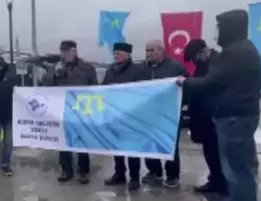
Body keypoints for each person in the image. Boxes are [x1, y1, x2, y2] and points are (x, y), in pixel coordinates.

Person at [176, 9, 261, 201]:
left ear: (230, 27)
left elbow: (211, 82)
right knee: (237, 166)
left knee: (237, 169)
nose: (217, 33)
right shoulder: (242, 49)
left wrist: (185, 82)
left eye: (220, 27)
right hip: (237, 116)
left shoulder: (235, 53)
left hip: (234, 118)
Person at [142, 39, 190, 188]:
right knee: (149, 143)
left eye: (152, 50)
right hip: (149, 113)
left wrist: (181, 105)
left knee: (169, 144)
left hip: (169, 113)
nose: (149, 53)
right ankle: (154, 172)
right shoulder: (143, 69)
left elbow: (188, 86)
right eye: (147, 50)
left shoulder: (175, 67)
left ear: (162, 51)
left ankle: (172, 175)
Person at [50, 40, 98, 184]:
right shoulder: (57, 67)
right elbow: (46, 86)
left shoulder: (87, 67)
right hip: (63, 109)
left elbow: (94, 88)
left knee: (81, 141)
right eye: (62, 51)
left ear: (74, 51)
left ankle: (83, 172)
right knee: (63, 141)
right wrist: (55, 74)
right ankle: (66, 170)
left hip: (81, 110)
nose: (63, 54)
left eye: (66, 51)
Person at [184, 39, 227, 196]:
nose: (194, 62)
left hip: (214, 116)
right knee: (209, 151)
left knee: (217, 152)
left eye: (195, 58)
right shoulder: (202, 65)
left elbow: (210, 85)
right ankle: (214, 180)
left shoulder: (217, 63)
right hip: (203, 117)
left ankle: (222, 184)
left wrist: (189, 83)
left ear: (203, 51)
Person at [102, 42, 147, 190]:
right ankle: (119, 174)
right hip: (115, 114)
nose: (115, 55)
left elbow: (145, 91)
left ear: (128, 55)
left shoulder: (138, 70)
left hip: (132, 115)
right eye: (114, 53)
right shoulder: (110, 70)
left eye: (118, 53)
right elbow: (103, 88)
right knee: (117, 147)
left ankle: (135, 177)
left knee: (132, 147)